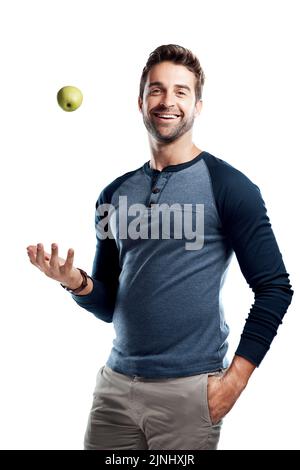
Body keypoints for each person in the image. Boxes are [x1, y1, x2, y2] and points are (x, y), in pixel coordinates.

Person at [26, 44, 294, 450]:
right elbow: (109, 302)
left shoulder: (230, 187)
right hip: (114, 389)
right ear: (140, 102)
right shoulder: (112, 194)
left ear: (198, 105)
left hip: (190, 393)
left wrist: (233, 384)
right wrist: (77, 283)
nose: (168, 101)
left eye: (181, 91)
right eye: (157, 90)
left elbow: (275, 288)